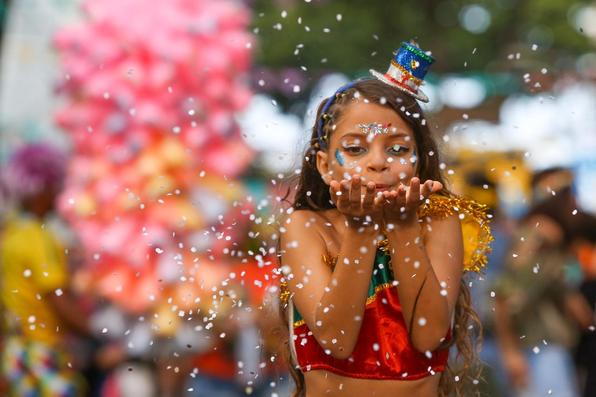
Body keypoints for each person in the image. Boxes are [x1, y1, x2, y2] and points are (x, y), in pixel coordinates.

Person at [277, 42, 492, 397]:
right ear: (325, 165)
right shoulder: (306, 226)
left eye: (397, 148)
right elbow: (336, 341)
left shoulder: (439, 222)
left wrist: (404, 229)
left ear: (420, 162)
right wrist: (361, 231)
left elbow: (430, 335)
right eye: (355, 148)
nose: (378, 163)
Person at [0, 143, 121, 396]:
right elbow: (58, 298)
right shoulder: (38, 239)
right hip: (41, 354)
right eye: (58, 185)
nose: (62, 193)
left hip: (17, 352)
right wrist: (102, 334)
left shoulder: (12, 235)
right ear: (41, 188)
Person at [492, 167, 593, 397]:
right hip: (538, 345)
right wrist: (510, 352)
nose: (575, 202)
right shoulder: (538, 233)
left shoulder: (553, 236)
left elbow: (556, 284)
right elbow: (504, 294)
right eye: (569, 195)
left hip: (548, 344)